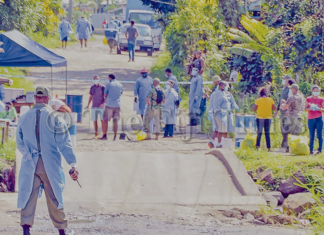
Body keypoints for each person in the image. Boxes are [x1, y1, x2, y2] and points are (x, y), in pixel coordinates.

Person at [16, 86, 79, 235]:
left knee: (28, 195)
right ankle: (61, 230)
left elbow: (19, 141)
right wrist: (72, 163)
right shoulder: (55, 117)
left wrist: (28, 155)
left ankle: (26, 228)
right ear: (47, 98)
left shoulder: (24, 117)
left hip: (30, 164)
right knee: (54, 196)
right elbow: (64, 142)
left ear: (35, 98)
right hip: (49, 164)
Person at [211, 81, 239, 148]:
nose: (227, 87)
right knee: (221, 129)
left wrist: (234, 106)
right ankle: (218, 144)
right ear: (221, 86)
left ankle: (214, 142)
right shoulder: (218, 94)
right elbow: (216, 105)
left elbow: (230, 101)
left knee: (221, 129)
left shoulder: (225, 93)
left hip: (225, 114)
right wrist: (222, 111)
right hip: (219, 114)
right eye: (226, 86)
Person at [280, 84, 305, 153]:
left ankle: (288, 147)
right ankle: (297, 148)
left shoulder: (291, 98)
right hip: (298, 116)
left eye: (292, 89)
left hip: (290, 117)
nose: (291, 90)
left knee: (287, 132)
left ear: (294, 89)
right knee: (296, 133)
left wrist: (282, 106)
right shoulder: (301, 97)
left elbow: (285, 107)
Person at [100, 74, 123, 141]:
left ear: (110, 78)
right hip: (117, 104)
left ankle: (105, 135)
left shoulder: (108, 84)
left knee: (105, 120)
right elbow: (121, 93)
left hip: (109, 104)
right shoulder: (120, 85)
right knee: (115, 121)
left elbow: (105, 94)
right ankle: (115, 136)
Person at [274, 74, 294, 148]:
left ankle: (287, 143)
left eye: (285, 79)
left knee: (287, 127)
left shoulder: (291, 90)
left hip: (288, 111)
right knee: (282, 127)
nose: (284, 81)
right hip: (282, 111)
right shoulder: (282, 89)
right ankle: (284, 142)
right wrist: (277, 110)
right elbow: (280, 101)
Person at [305, 85, 324, 155]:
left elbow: (323, 109)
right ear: (312, 91)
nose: (315, 92)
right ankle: (311, 149)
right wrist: (310, 108)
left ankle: (320, 149)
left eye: (317, 91)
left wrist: (318, 109)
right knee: (311, 135)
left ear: (319, 91)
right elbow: (304, 108)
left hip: (319, 118)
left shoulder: (321, 99)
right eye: (314, 91)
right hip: (311, 119)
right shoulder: (308, 99)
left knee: (319, 134)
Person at [86, 75, 105, 140]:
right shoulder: (92, 87)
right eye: (94, 79)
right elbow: (91, 96)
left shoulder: (103, 87)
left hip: (101, 107)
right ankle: (96, 134)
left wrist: (103, 104)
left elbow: (105, 97)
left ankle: (104, 134)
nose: (96, 80)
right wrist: (88, 104)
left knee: (102, 120)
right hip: (94, 106)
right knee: (94, 120)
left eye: (97, 79)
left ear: (99, 79)